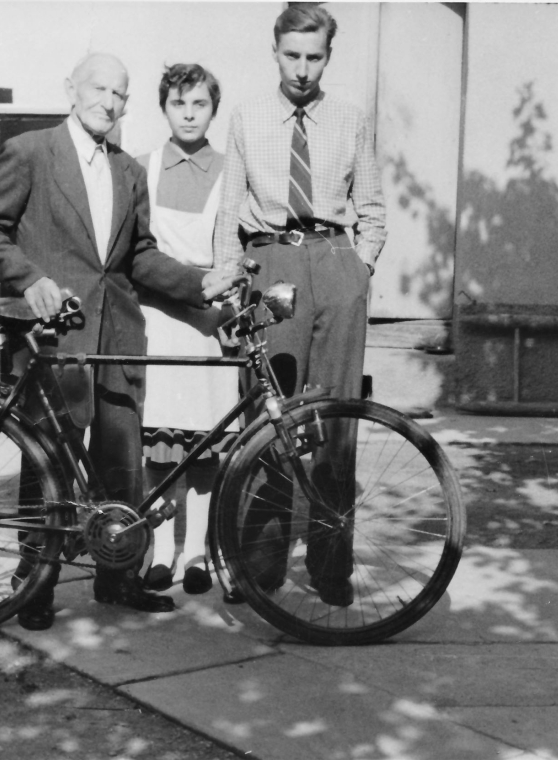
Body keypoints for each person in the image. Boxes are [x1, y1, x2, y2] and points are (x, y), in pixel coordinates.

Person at [0, 53, 243, 631]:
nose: (108, 102)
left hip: (117, 333)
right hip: (52, 335)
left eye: (119, 93)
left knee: (121, 462)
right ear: (72, 89)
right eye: (99, 89)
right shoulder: (32, 153)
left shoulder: (128, 171)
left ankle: (118, 578)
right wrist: (31, 279)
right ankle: (34, 582)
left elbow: (139, 256)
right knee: (47, 464)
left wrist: (199, 284)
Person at [213, 6, 386, 607]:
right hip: (273, 266)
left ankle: (331, 566)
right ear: (275, 52)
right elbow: (227, 211)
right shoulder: (247, 116)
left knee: (336, 423)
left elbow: (373, 207)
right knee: (268, 420)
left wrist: (357, 270)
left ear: (328, 56)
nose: (303, 69)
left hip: (335, 264)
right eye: (292, 55)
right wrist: (232, 278)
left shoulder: (351, 120)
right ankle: (258, 570)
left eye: (314, 56)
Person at [137, 64, 237, 596]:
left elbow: (235, 252)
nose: (190, 113)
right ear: (165, 108)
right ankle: (157, 550)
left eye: (199, 104)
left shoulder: (229, 170)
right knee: (159, 444)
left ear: (212, 109)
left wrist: (226, 301)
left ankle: (195, 551)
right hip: (156, 322)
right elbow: (135, 253)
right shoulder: (142, 169)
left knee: (200, 444)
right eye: (179, 104)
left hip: (207, 324)